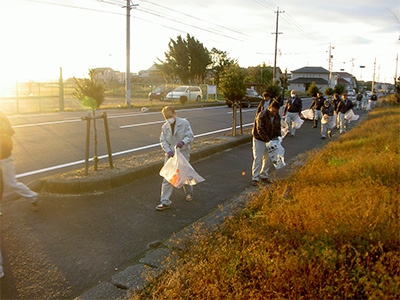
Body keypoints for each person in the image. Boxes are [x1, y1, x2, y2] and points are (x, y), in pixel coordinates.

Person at [156, 106, 194, 211]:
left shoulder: (184, 123)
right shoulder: (165, 127)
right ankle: (165, 201)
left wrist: (183, 142)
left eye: (169, 116)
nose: (168, 118)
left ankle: (189, 192)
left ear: (174, 114)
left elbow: (190, 136)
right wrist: (168, 150)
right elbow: (163, 141)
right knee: (168, 177)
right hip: (170, 155)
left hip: (182, 153)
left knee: (185, 174)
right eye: (166, 116)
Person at [0, 112, 38, 211]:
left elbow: (6, 140)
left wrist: (3, 154)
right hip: (3, 157)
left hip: (4, 159)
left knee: (11, 183)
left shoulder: (2, 119)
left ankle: (32, 197)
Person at [251, 100, 281, 186]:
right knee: (258, 158)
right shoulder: (262, 115)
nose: (274, 113)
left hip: (270, 140)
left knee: (268, 159)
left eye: (276, 111)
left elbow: (278, 128)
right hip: (259, 139)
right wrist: (268, 140)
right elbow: (260, 129)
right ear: (269, 108)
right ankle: (255, 178)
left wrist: (278, 138)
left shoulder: (277, 117)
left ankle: (264, 175)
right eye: (273, 111)